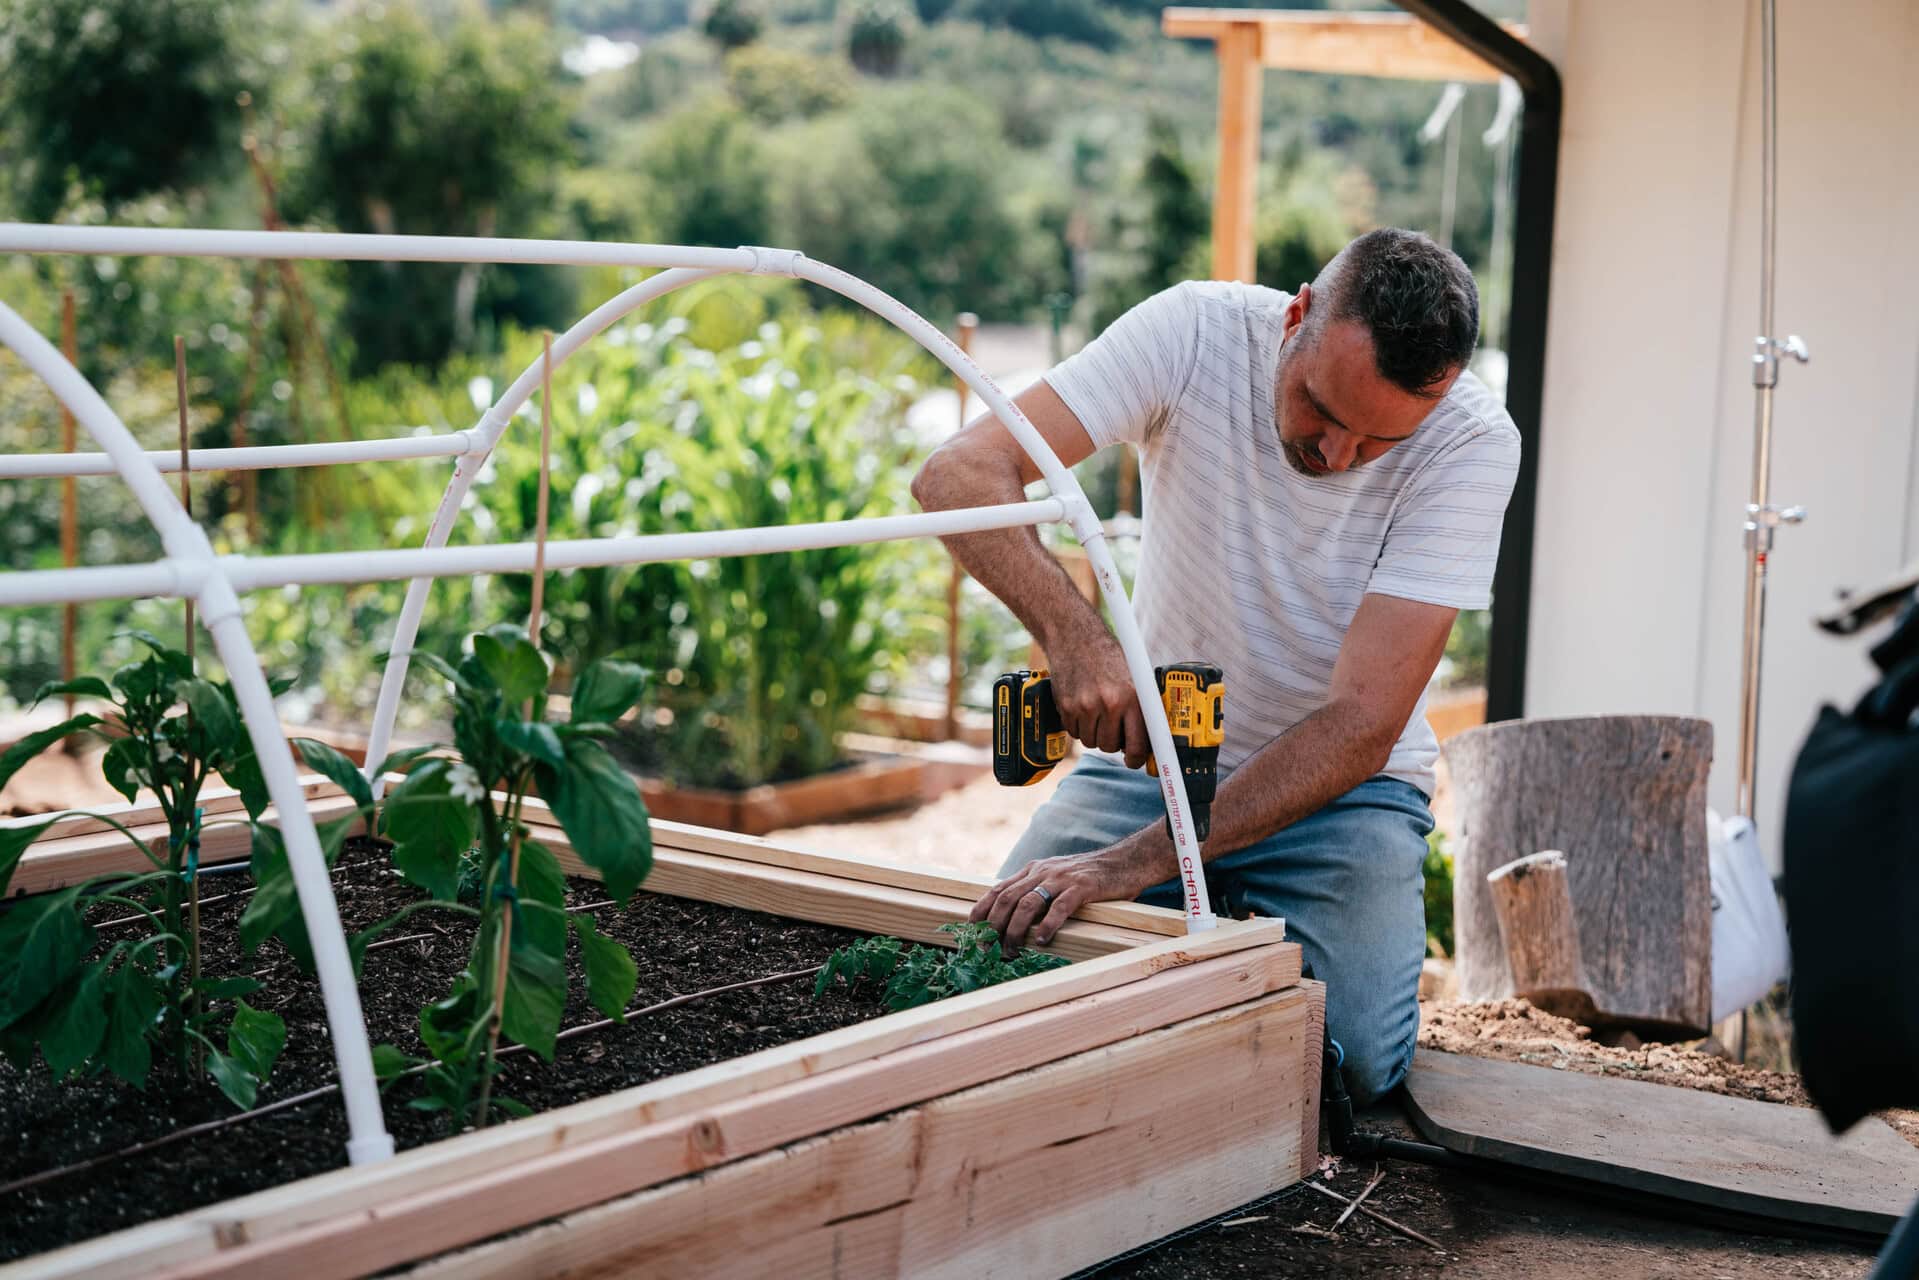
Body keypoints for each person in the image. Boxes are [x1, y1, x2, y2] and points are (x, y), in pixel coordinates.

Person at [911, 228, 1520, 1101]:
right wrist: (1078, 638)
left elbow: (1360, 726)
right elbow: (958, 474)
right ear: (1296, 317)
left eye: (1376, 442)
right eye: (1322, 409)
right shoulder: (1192, 335)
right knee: (998, 978)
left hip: (1340, 797)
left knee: (1347, 1057)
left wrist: (1125, 868)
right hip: (1157, 765)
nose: (1336, 456)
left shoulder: (1470, 445)